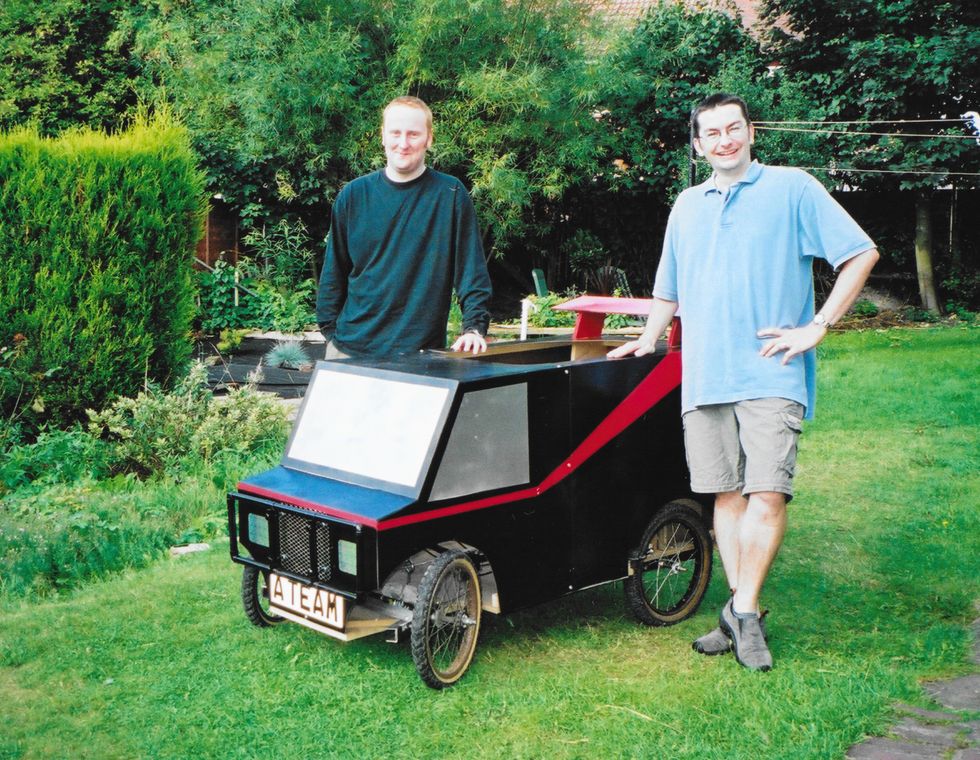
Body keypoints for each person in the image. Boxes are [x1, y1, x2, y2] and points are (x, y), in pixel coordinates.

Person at [609, 93, 879, 671]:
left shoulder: (793, 189)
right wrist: (650, 337)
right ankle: (739, 612)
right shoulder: (686, 204)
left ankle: (745, 611)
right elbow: (668, 288)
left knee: (768, 492)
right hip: (705, 375)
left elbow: (860, 253)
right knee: (725, 495)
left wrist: (817, 326)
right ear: (699, 144)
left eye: (734, 128)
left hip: (770, 370)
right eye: (712, 133)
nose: (725, 140)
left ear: (750, 131)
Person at [316, 96, 492, 359]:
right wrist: (331, 333)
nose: (403, 143)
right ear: (383, 136)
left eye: (413, 134)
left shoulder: (450, 194)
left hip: (420, 354)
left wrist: (474, 329)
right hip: (350, 351)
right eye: (395, 133)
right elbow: (334, 272)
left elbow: (471, 271)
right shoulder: (353, 195)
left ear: (429, 138)